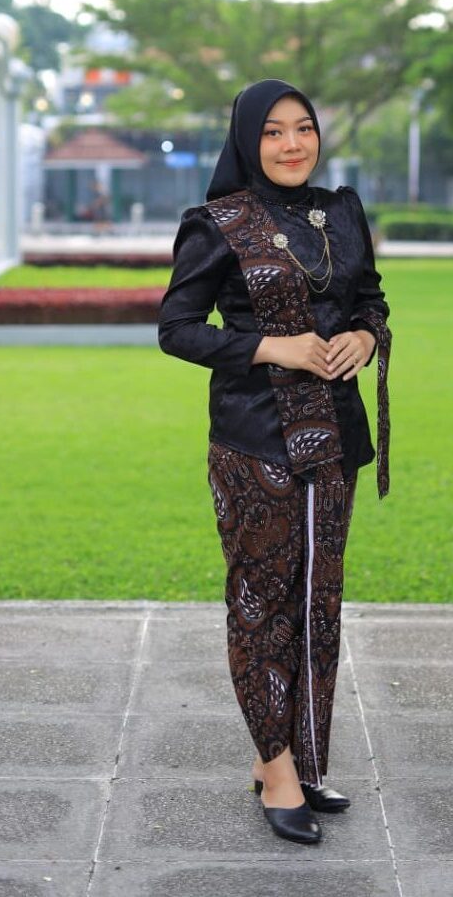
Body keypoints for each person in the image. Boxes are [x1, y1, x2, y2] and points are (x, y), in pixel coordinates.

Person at [158, 78, 391, 845]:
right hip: (256, 442)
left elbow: (370, 298)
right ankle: (279, 768)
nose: (293, 144)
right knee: (262, 604)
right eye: (273, 132)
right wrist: (271, 347)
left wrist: (364, 336)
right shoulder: (217, 224)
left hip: (334, 441)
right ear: (246, 140)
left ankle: (299, 758)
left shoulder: (341, 211)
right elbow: (177, 328)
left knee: (319, 603)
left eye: (304, 128)